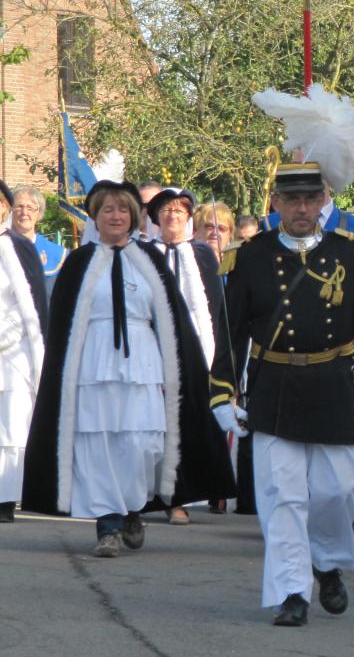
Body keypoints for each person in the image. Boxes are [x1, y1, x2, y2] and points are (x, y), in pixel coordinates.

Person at [210, 86, 354, 627]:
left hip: (332, 385)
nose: (303, 209)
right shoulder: (248, 257)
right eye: (292, 201)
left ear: (323, 199)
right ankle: (291, 591)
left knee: (338, 490)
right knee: (282, 497)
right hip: (275, 389)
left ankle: (328, 562)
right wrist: (223, 393)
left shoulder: (352, 255)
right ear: (277, 205)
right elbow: (231, 335)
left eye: (311, 199)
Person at [22, 180, 234, 556]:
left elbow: (172, 322)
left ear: (134, 217)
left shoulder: (150, 261)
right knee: (99, 443)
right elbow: (64, 325)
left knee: (141, 444)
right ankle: (108, 525)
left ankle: (134, 507)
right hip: (93, 365)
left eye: (122, 210)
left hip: (143, 363)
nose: (115, 216)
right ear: (96, 217)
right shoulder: (79, 262)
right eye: (107, 210)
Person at [145, 187, 225, 525]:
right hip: (155, 348)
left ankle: (184, 495)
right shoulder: (145, 253)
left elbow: (216, 307)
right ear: (156, 218)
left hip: (197, 349)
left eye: (179, 211)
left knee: (189, 421)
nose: (173, 216)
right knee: (156, 424)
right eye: (166, 211)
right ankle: (157, 495)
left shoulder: (203, 255)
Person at [0, 180, 49, 522]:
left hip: (11, 353)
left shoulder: (18, 248)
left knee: (12, 425)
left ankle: (6, 497)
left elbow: (29, 304)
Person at [8, 186, 67, 288]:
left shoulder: (58, 255)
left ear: (39, 214)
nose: (24, 213)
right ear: (10, 211)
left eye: (30, 208)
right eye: (19, 206)